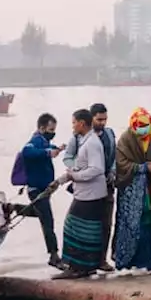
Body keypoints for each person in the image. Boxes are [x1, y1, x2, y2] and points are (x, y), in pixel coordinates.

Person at [54, 109, 109, 278]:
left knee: (73, 227)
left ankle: (75, 267)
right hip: (87, 194)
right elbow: (79, 166)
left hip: (90, 195)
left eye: (73, 122)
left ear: (82, 123)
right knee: (88, 230)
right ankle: (86, 267)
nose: (72, 126)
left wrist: (75, 176)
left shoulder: (92, 143)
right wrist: (59, 181)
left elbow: (97, 169)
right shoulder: (85, 141)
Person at [112, 108, 151, 273]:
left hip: (147, 188)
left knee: (148, 223)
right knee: (130, 224)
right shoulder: (125, 140)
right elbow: (121, 164)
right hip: (130, 190)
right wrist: (143, 167)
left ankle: (149, 262)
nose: (142, 129)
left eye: (145, 125)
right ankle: (126, 261)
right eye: (139, 126)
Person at [21, 113, 65, 266]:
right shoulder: (35, 140)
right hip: (36, 189)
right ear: (41, 128)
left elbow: (48, 147)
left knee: (42, 215)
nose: (52, 132)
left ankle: (16, 209)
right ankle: (54, 255)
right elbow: (26, 151)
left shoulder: (44, 141)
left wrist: (56, 149)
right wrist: (47, 153)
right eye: (50, 129)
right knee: (48, 221)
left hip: (44, 189)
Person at [90, 103, 119, 270]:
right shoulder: (84, 136)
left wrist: (113, 171)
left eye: (105, 119)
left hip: (108, 184)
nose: (102, 122)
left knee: (106, 223)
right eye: (99, 119)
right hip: (90, 185)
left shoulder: (109, 134)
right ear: (91, 118)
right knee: (89, 224)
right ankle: (88, 261)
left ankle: (102, 259)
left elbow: (114, 155)